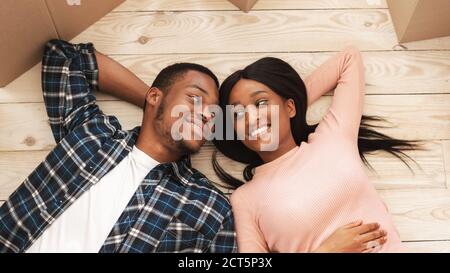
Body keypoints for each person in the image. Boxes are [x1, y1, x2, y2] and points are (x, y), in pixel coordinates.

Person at [0, 39, 235, 253]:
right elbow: (64, 57)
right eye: (195, 99)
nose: (206, 114)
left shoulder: (212, 206)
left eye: (214, 112)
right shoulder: (92, 134)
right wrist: (153, 104)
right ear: (154, 97)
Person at [213, 46, 421, 252]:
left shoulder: (332, 139)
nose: (250, 117)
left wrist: (291, 105)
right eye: (238, 114)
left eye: (260, 102)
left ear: (290, 107)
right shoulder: (246, 199)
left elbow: (349, 59)